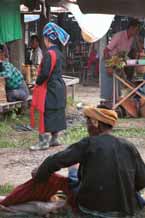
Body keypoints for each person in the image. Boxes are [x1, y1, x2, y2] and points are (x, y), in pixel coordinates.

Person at [1, 106, 145, 218]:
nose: (87, 126)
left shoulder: (89, 143)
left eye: (88, 122)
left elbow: (54, 161)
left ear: (95, 123)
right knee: (73, 172)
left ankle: (6, 204)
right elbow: (141, 181)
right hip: (126, 210)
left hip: (89, 209)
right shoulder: (128, 145)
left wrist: (39, 174)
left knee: (55, 177)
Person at [30, 22, 70, 150]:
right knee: (57, 111)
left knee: (46, 112)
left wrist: (37, 82)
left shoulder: (49, 54)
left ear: (47, 38)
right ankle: (54, 139)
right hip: (59, 86)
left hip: (50, 88)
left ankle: (43, 142)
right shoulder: (58, 53)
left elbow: (45, 73)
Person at [100, 19, 140, 108]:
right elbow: (106, 50)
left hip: (117, 62)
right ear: (131, 28)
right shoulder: (119, 36)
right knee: (108, 86)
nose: (137, 32)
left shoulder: (132, 39)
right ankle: (107, 106)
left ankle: (115, 105)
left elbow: (124, 54)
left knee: (117, 88)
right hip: (108, 61)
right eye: (136, 30)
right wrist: (108, 65)